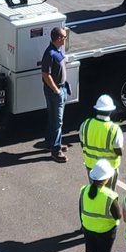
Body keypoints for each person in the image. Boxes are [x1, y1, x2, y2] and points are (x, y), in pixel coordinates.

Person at [78, 159, 121, 252]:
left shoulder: (84, 190)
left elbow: (81, 209)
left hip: (88, 228)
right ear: (106, 179)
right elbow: (118, 216)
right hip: (106, 231)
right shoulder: (110, 196)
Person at [79, 95, 123, 189]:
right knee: (108, 195)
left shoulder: (86, 124)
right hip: (109, 169)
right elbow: (119, 151)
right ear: (111, 111)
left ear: (97, 110)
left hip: (91, 166)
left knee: (94, 192)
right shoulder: (114, 129)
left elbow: (83, 144)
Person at [40, 26, 70, 163]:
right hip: (55, 91)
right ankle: (56, 151)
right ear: (58, 38)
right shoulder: (50, 53)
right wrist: (56, 89)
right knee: (58, 121)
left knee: (53, 118)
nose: (65, 39)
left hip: (60, 89)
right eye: (64, 37)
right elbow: (46, 74)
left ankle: (50, 143)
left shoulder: (56, 51)